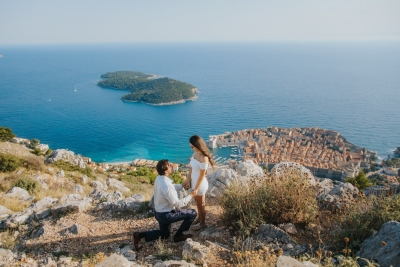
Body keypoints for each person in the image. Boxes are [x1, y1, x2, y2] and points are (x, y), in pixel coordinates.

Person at [133, 159, 197, 251]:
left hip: (158, 212)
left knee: (165, 235)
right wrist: (191, 195)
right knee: (192, 213)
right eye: (170, 165)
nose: (172, 166)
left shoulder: (159, 178)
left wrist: (182, 185)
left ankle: (139, 235)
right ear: (166, 171)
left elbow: (171, 188)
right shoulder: (166, 185)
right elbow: (177, 203)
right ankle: (178, 236)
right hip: (166, 215)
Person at [183, 135, 215, 231]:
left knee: (201, 205)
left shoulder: (204, 158)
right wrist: (187, 180)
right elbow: (191, 167)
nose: (191, 148)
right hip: (194, 183)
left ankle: (202, 224)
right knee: (198, 203)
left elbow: (202, 176)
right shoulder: (195, 154)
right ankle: (199, 219)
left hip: (200, 185)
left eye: (192, 146)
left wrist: (196, 188)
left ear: (197, 145)